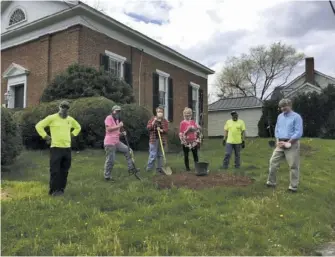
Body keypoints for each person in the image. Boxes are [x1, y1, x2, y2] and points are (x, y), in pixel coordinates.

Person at [35, 100, 81, 196]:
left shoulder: (70, 119)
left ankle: (61, 190)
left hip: (67, 148)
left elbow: (78, 127)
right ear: (59, 107)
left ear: (68, 109)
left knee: (64, 170)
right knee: (55, 170)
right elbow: (39, 126)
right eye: (62, 107)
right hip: (56, 148)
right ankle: (53, 190)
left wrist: (72, 134)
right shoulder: (52, 118)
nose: (64, 109)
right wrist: (45, 136)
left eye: (66, 108)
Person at [266, 98, 303, 193]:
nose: (282, 108)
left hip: (292, 144)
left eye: (284, 106)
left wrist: (289, 142)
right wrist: (278, 141)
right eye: (281, 107)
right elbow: (277, 129)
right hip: (280, 143)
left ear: (290, 106)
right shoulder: (280, 117)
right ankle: (271, 182)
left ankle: (293, 187)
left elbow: (298, 132)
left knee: (293, 166)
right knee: (273, 162)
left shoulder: (296, 117)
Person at [103, 105, 139, 181]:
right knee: (111, 160)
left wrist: (122, 134)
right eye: (116, 111)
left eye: (119, 111)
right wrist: (119, 126)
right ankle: (107, 176)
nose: (117, 113)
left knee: (129, 150)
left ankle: (131, 168)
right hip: (109, 143)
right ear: (112, 111)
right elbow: (109, 129)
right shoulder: (109, 118)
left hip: (117, 142)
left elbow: (116, 132)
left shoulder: (117, 120)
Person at [146, 106, 169, 174]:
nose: (160, 113)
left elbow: (166, 130)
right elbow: (148, 128)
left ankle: (159, 169)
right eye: (159, 111)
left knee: (160, 155)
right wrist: (154, 122)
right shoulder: (152, 119)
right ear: (156, 112)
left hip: (161, 140)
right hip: (153, 139)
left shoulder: (164, 121)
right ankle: (149, 169)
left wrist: (161, 130)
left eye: (161, 112)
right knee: (153, 154)